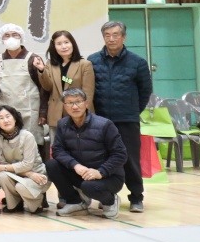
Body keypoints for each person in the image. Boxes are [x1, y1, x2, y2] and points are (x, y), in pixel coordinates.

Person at [88, 21, 151, 213]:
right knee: (102, 159)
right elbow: (84, 85)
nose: (111, 39)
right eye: (107, 35)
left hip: (127, 120)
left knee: (130, 159)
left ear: (123, 37)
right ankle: (106, 196)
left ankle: (136, 197)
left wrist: (132, 111)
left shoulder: (138, 62)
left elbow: (145, 91)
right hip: (100, 121)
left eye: (115, 35)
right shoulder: (92, 60)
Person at [47, 87, 128, 219]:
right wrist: (75, 165)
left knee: (89, 187)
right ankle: (76, 202)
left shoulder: (105, 125)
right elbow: (58, 150)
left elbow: (120, 154)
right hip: (81, 172)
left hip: (108, 176)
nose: (75, 106)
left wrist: (100, 172)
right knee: (52, 165)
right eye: (70, 103)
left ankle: (111, 201)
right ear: (64, 106)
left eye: (78, 102)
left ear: (86, 103)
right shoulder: (63, 124)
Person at [38, 30, 95, 148]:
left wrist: (83, 113)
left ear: (72, 44)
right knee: (58, 148)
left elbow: (88, 93)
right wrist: (42, 70)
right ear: (54, 47)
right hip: (56, 113)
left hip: (78, 112)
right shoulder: (50, 64)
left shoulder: (85, 64)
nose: (64, 46)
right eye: (59, 44)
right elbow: (47, 87)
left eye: (66, 42)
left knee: (81, 147)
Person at [0, 23, 45, 140]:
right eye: (7, 35)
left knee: (31, 142)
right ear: (2, 39)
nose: (11, 38)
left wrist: (43, 112)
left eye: (15, 35)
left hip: (30, 111)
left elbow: (44, 87)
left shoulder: (33, 59)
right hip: (5, 113)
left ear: (21, 37)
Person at [0, 106, 49, 214]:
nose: (5, 120)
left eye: (8, 116)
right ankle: (14, 204)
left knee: (20, 186)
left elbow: (27, 164)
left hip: (36, 174)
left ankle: (38, 202)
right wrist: (28, 174)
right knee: (2, 176)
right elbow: (2, 163)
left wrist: (29, 174)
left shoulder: (27, 136)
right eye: (1, 118)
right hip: (18, 174)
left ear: (15, 118)